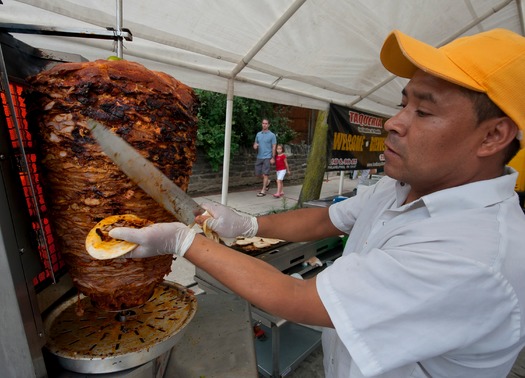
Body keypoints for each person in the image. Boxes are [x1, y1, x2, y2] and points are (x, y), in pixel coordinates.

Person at [109, 28, 525, 377]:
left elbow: (300, 300)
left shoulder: (475, 254)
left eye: (424, 112)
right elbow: (326, 220)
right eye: (403, 104)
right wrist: (251, 225)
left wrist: (183, 243)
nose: (394, 123)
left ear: (492, 137)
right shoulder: (399, 186)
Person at [253, 118, 276, 197]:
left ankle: (263, 190)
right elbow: (255, 144)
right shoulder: (258, 134)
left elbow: (274, 147)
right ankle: (268, 181)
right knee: (257, 173)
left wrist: (273, 157)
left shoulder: (272, 135)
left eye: (266, 123)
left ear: (268, 125)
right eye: (263, 123)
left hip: (268, 156)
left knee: (266, 174)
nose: (264, 125)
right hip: (259, 156)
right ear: (261, 124)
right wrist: (255, 146)